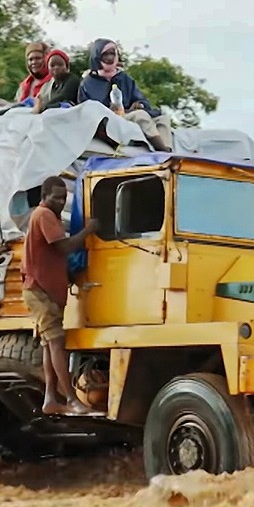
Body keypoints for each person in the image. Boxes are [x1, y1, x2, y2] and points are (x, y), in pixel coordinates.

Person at [23, 176, 99, 416]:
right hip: (40, 291)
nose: (60, 202)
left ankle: (50, 399)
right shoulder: (43, 215)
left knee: (49, 345)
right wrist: (89, 230)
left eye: (64, 198)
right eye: (56, 197)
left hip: (47, 291)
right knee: (56, 343)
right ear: (44, 197)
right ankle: (71, 399)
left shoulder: (50, 217)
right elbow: (64, 247)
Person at [77, 38, 174, 151]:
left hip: (128, 114)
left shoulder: (124, 78)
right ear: (97, 56)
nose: (110, 58)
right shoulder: (87, 83)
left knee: (162, 118)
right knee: (140, 116)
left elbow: (142, 100)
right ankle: (162, 150)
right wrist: (108, 110)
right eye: (105, 54)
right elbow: (84, 110)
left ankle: (168, 151)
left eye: (112, 54)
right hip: (108, 121)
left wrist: (139, 104)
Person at [34, 48, 81, 112]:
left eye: (60, 65)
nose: (56, 68)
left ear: (67, 67)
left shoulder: (73, 80)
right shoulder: (47, 86)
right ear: (48, 68)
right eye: (52, 65)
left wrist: (43, 107)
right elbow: (39, 100)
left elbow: (63, 97)